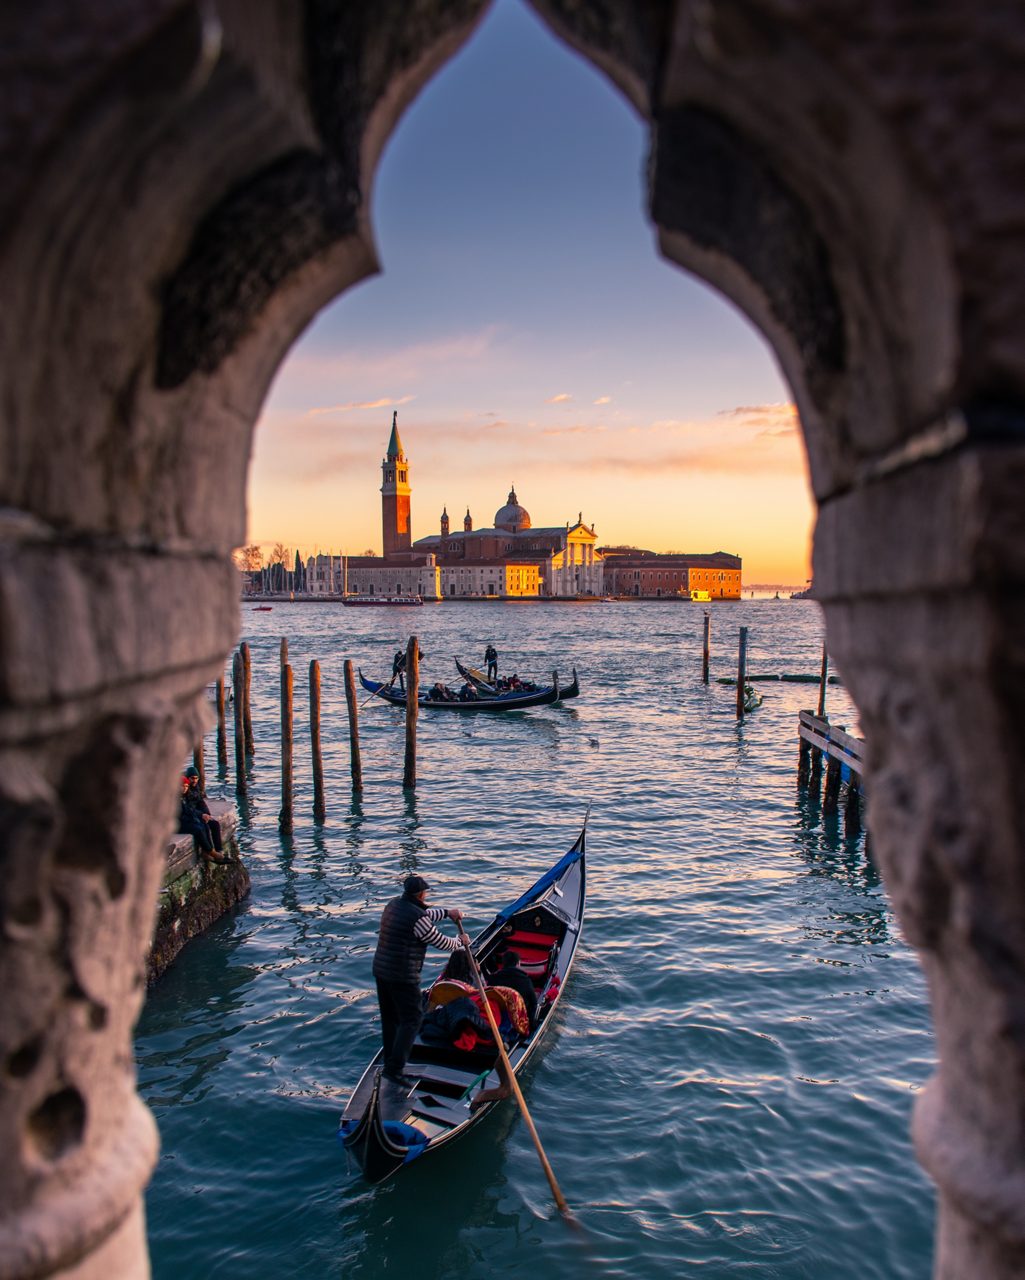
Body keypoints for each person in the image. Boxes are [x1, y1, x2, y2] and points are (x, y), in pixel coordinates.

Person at [372, 874, 470, 1088]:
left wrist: (447, 913)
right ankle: (395, 1070)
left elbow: (425, 913)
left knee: (390, 1019)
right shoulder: (418, 918)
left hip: (381, 971)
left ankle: (390, 1062)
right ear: (421, 894)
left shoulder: (394, 905)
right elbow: (439, 941)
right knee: (413, 1018)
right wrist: (459, 942)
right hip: (402, 976)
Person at [177, 766, 227, 862]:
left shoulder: (195, 790)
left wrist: (206, 814)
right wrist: (199, 816)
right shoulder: (181, 796)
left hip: (192, 816)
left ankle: (218, 851)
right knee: (200, 828)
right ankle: (210, 851)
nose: (194, 781)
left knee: (213, 824)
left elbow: (201, 803)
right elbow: (186, 810)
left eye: (196, 778)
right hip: (181, 821)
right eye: (192, 778)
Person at [490, 950, 537, 1026]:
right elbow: (534, 1003)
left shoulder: (493, 978)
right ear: (518, 964)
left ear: (503, 964)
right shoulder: (526, 981)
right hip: (518, 1021)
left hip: (496, 1018)